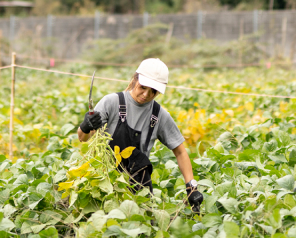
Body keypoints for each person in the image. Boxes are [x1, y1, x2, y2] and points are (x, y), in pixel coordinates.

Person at [78, 57, 204, 212]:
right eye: (143, 87)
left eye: (153, 91)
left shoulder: (159, 115)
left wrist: (191, 187)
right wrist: (85, 126)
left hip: (138, 187)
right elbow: (82, 138)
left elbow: (180, 151)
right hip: (105, 181)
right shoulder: (112, 102)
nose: (146, 94)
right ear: (135, 79)